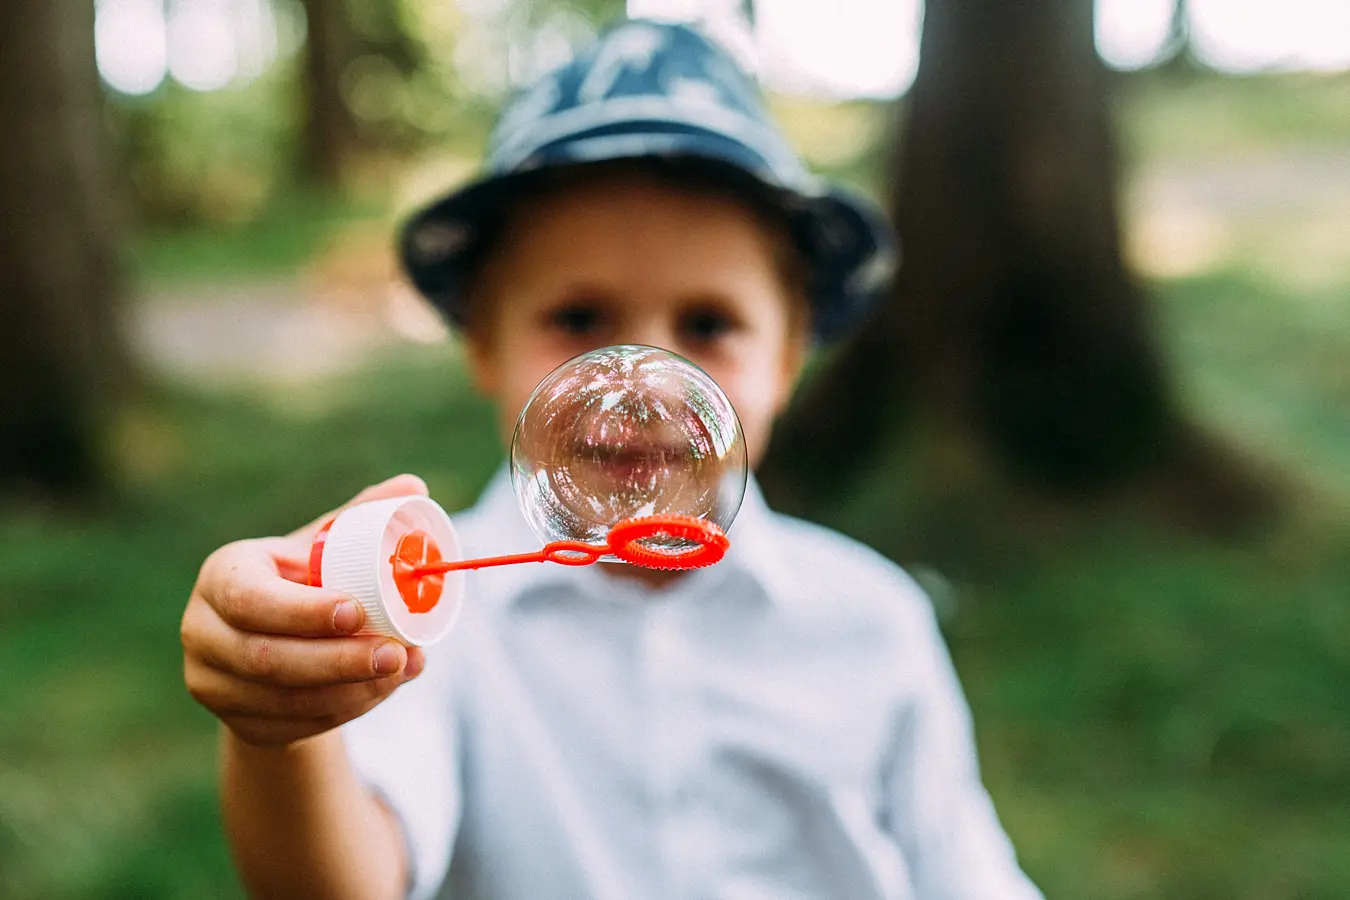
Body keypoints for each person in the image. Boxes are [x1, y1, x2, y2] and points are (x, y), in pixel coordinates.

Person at [180, 19, 1043, 900]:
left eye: (707, 326)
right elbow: (339, 886)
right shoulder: (430, 622)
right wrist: (280, 729)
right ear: (482, 345)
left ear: (787, 362)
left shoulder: (873, 623)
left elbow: (964, 874)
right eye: (580, 320)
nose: (640, 388)